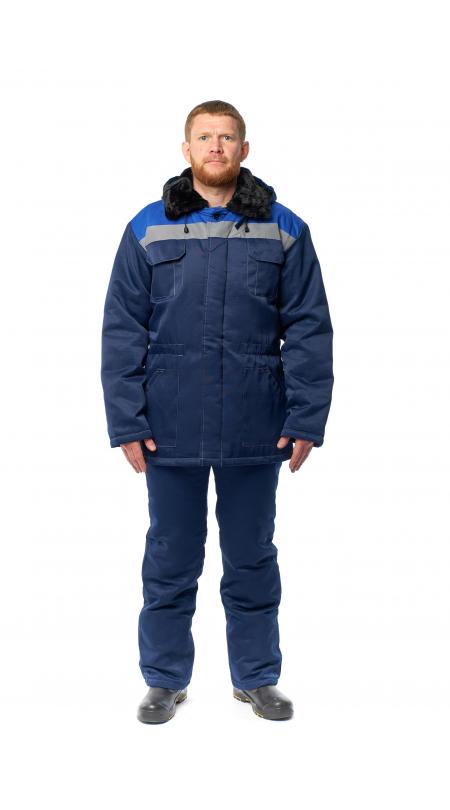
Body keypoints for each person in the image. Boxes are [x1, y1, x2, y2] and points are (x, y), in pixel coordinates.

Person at [100, 99, 334, 724]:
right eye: (204, 137)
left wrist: (306, 419)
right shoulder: (147, 228)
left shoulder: (284, 227)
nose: (216, 147)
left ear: (243, 149)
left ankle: (257, 677)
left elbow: (309, 328)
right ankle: (163, 680)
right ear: (186, 149)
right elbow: (122, 329)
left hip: (257, 424)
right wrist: (127, 422)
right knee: (170, 557)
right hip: (169, 425)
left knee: (252, 556)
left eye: (227, 137)